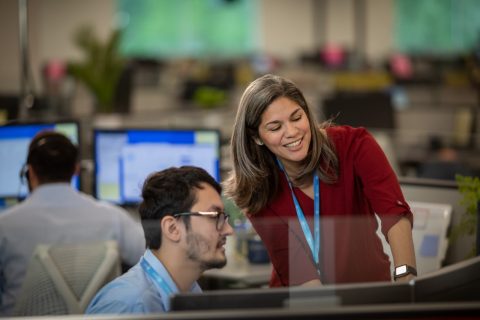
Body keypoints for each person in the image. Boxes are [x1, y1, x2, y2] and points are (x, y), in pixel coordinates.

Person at [224, 74, 416, 287]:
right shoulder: (259, 190)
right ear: (257, 137)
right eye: (275, 127)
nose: (292, 132)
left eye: (297, 117)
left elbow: (394, 214)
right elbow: (302, 277)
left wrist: (404, 277)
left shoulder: (354, 145)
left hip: (368, 290)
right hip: (305, 301)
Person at [0, 131, 145, 316]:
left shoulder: (5, 225)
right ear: (76, 169)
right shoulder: (112, 217)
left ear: (29, 172)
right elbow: (153, 262)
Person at [86, 166, 234, 314]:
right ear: (172, 229)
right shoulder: (128, 306)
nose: (229, 230)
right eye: (214, 216)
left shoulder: (188, 290)